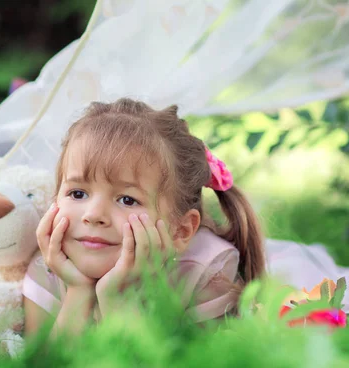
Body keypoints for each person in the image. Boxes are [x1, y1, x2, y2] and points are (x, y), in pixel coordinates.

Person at [22, 98, 265, 336]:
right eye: (77, 193)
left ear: (180, 231)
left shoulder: (202, 273)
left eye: (127, 200)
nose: (93, 215)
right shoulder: (48, 269)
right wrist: (78, 292)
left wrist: (117, 299)